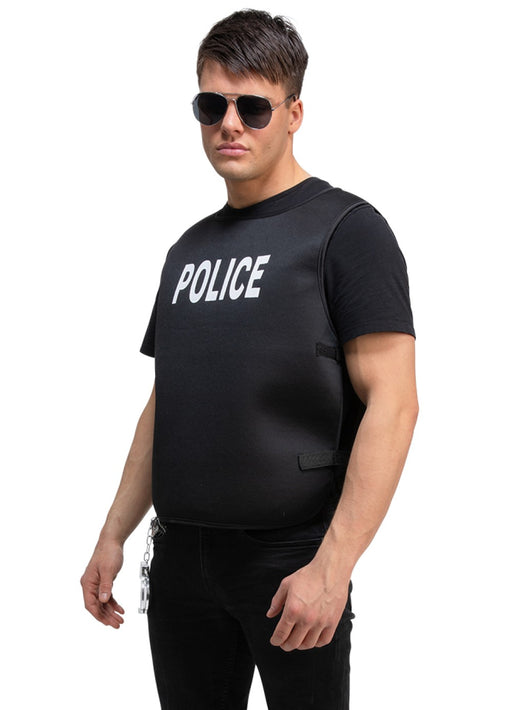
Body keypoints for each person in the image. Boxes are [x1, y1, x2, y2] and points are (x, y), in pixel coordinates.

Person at [81, 9, 418, 709]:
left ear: (294, 113)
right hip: (180, 560)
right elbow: (166, 402)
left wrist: (333, 566)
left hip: (290, 560)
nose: (229, 125)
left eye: (252, 107)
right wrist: (114, 533)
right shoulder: (188, 250)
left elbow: (395, 403)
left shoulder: (348, 231)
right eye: (212, 106)